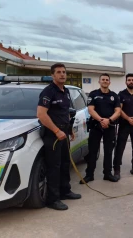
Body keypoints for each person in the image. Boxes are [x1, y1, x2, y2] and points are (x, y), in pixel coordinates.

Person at [37, 63, 81, 211]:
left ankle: (65, 191)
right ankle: (53, 199)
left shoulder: (66, 91)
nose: (62, 74)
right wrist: (56, 131)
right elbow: (41, 115)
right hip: (53, 136)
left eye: (64, 72)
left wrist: (69, 129)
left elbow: (65, 112)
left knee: (64, 164)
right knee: (54, 167)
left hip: (64, 134)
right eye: (59, 72)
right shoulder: (48, 92)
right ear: (53, 75)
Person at [81, 73, 121, 183]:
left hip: (110, 126)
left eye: (107, 80)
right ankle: (89, 175)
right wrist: (101, 120)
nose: (105, 81)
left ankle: (107, 174)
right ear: (99, 81)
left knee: (108, 151)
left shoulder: (114, 96)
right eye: (103, 79)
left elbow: (118, 111)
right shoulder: (93, 94)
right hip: (96, 126)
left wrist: (109, 120)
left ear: (109, 82)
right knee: (92, 151)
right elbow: (91, 110)